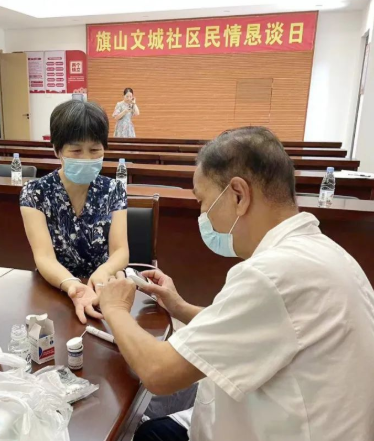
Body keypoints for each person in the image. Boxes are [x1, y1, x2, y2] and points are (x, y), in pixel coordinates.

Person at [99, 127, 374, 441]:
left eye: (203, 202)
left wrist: (115, 308)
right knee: (156, 432)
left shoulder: (271, 274)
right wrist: (181, 307)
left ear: (238, 195)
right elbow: (258, 325)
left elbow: (158, 372)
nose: (203, 215)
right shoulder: (323, 252)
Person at [20, 100, 129, 324]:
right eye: (76, 150)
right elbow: (44, 257)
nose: (87, 158)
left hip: (102, 289)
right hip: (55, 289)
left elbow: (120, 251)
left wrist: (104, 271)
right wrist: (71, 285)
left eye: (95, 150)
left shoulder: (113, 190)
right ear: (57, 150)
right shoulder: (34, 193)